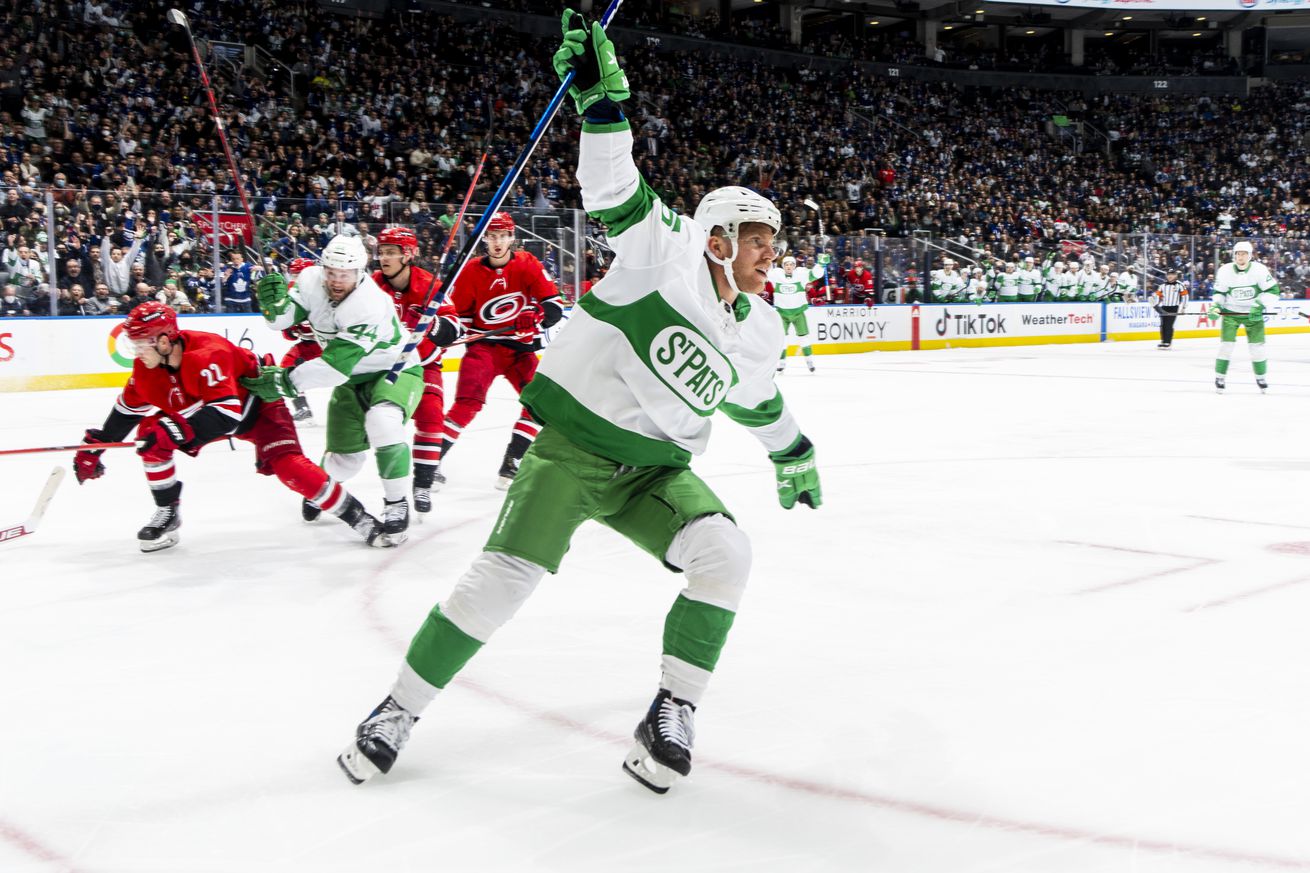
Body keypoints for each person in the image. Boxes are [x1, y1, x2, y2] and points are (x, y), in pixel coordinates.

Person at [336, 13, 823, 796]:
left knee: (726, 553)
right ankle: (399, 708)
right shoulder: (666, 246)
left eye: (776, 239)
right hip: (569, 450)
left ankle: (672, 709)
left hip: (654, 472)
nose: (775, 250)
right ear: (719, 236)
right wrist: (603, 105)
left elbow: (758, 400)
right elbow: (612, 187)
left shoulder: (760, 326)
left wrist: (793, 450)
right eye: (761, 235)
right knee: (497, 581)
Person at [71, 302, 388, 552]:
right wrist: (96, 448)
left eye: (141, 344)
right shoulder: (145, 371)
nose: (136, 354)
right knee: (150, 435)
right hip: (210, 416)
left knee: (291, 469)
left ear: (165, 340)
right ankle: (168, 513)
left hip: (259, 409)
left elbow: (227, 415)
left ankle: (360, 518)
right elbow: (125, 414)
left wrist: (173, 430)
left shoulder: (209, 353)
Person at [242, 235, 424, 542]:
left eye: (344, 274)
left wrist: (284, 381)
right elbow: (283, 320)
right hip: (351, 378)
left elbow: (333, 366)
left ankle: (396, 502)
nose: (336, 280)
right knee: (344, 459)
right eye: (331, 271)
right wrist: (273, 305)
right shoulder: (312, 279)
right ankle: (321, 489)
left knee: (384, 421)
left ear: (360, 273)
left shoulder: (370, 303)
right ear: (322, 266)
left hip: (395, 367)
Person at [438, 211, 564, 489]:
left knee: (540, 403)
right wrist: (448, 333)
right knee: (467, 403)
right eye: (492, 236)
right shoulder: (471, 270)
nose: (497, 241)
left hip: (520, 351)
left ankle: (511, 462)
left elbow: (554, 305)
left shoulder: (528, 264)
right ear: (485, 238)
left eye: (503, 235)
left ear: (512, 237)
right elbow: (460, 319)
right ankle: (431, 461)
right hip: (485, 348)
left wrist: (538, 316)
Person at [371, 226, 463, 513]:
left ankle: (422, 484)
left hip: (424, 364)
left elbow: (455, 328)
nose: (383, 258)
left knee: (432, 418)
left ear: (408, 254)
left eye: (390, 252)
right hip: (383, 365)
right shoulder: (370, 285)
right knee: (376, 424)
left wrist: (431, 324)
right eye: (381, 252)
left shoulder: (430, 285)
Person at [1210, 240, 1280, 393]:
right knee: (1226, 346)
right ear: (1233, 255)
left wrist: (1259, 305)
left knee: (1257, 348)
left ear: (1250, 256)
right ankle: (1219, 377)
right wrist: (1216, 306)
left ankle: (1261, 378)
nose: (1240, 257)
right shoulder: (1224, 271)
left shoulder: (1260, 270)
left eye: (1244, 254)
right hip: (1231, 313)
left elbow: (1273, 291)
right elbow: (1219, 293)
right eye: (1237, 253)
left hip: (1253, 314)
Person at [276, 257, 322, 423]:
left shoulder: (325, 290)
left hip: (330, 343)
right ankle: (302, 407)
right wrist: (289, 329)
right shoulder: (289, 293)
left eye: (299, 275)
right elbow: (287, 330)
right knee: (286, 367)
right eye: (293, 275)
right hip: (309, 345)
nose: (296, 279)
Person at [766, 254, 821, 372]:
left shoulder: (801, 275)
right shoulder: (776, 275)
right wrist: (768, 258)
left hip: (798, 313)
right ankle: (782, 363)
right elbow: (765, 271)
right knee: (782, 339)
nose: (789, 266)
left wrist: (821, 265)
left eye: (791, 264)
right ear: (783, 266)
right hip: (782, 314)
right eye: (786, 264)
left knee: (804, 338)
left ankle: (809, 361)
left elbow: (816, 275)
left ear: (795, 266)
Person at [1152, 269, 1187, 349]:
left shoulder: (1180, 285)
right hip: (1164, 307)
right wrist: (1156, 305)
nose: (1170, 276)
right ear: (1166, 275)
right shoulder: (1162, 286)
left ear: (1175, 275)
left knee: (1169, 325)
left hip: (1174, 307)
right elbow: (1158, 296)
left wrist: (1183, 307)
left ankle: (1168, 342)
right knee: (1163, 325)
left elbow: (1185, 297)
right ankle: (1163, 341)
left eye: (1172, 274)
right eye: (1168, 274)